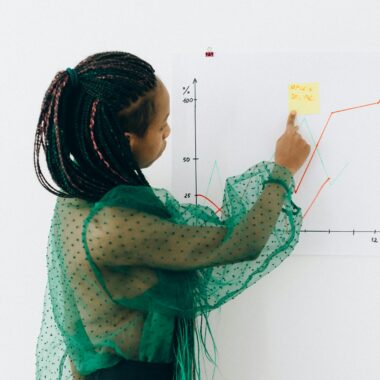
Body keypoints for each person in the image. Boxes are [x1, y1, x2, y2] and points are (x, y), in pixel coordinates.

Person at [34, 51, 310, 380]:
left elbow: (72, 318)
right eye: (161, 125)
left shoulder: (77, 196)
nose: (168, 133)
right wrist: (282, 171)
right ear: (126, 141)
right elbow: (240, 243)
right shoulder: (114, 227)